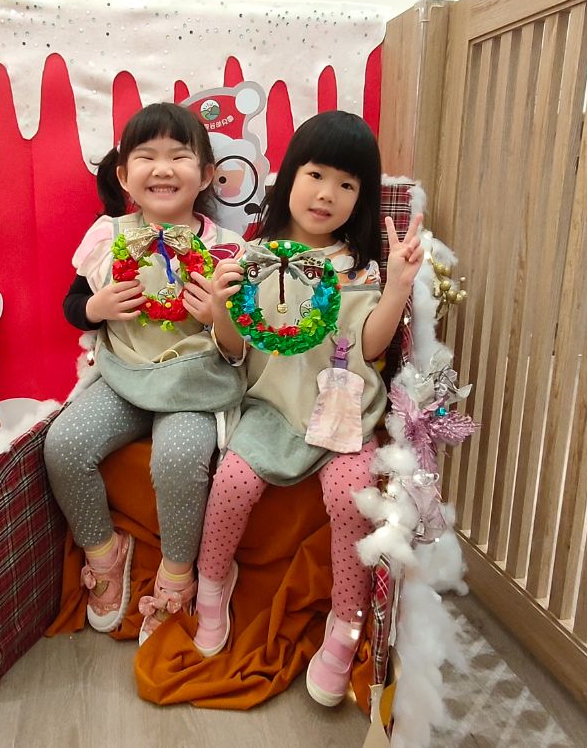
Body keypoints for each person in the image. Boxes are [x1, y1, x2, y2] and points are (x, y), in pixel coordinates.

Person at [193, 111, 423, 705]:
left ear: (360, 198)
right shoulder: (251, 258)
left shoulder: (357, 266)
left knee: (351, 497)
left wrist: (397, 287)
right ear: (290, 175)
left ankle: (345, 626)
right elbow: (233, 352)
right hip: (271, 408)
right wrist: (220, 310)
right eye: (316, 175)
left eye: (347, 184)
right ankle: (211, 585)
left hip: (344, 414)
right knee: (232, 483)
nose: (327, 194)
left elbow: (369, 346)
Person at [44, 103, 246, 644]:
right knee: (63, 445)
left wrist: (219, 317)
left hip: (194, 385)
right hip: (122, 377)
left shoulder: (227, 251)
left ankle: (178, 573)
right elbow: (72, 306)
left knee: (178, 458)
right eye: (146, 156)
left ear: (206, 174)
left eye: (179, 156)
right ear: (123, 175)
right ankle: (105, 553)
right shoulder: (108, 237)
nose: (162, 168)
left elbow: (240, 352)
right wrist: (97, 307)